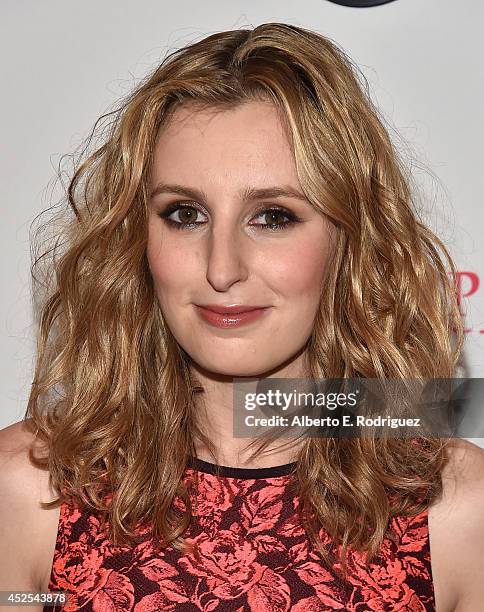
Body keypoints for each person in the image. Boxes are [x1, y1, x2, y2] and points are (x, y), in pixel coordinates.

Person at [1, 22, 483, 612]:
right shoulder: (30, 491)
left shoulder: (455, 508)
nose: (222, 268)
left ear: (348, 241)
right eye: (184, 214)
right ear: (135, 238)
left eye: (273, 216)